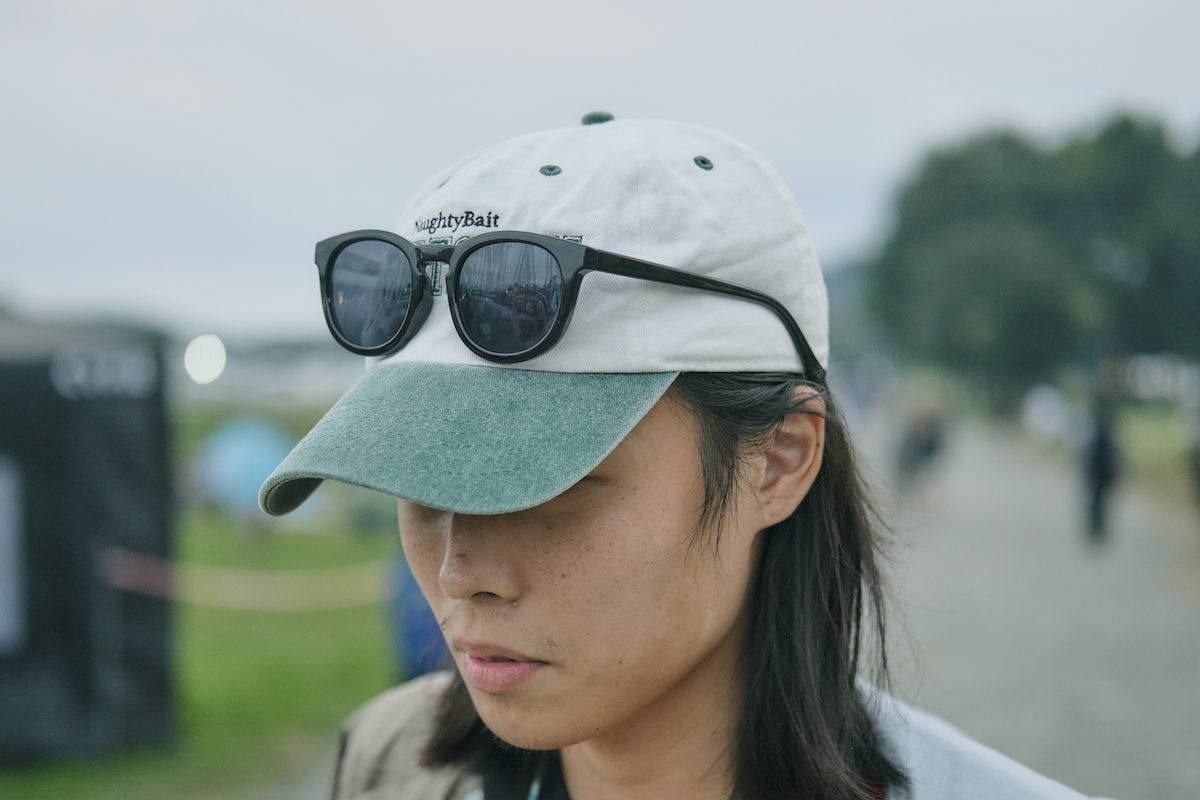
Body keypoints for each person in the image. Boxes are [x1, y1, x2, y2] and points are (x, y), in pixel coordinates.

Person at [260, 117, 1105, 799]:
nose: (459, 572)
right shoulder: (386, 766)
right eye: (418, 480)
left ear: (779, 460)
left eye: (542, 484)